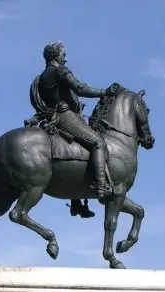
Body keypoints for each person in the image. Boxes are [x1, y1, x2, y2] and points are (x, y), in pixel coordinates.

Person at [33, 41, 119, 218]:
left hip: (52, 117)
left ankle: (76, 202)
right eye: (63, 53)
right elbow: (80, 88)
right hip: (64, 115)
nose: (66, 57)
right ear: (55, 55)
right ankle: (102, 186)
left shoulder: (42, 76)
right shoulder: (60, 71)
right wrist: (105, 92)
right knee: (97, 142)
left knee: (80, 147)